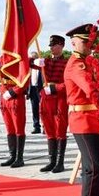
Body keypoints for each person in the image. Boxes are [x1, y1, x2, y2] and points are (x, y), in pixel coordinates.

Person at [64, 23, 99, 196]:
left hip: (94, 121)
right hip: (83, 121)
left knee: (96, 167)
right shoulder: (77, 64)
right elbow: (91, 88)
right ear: (74, 42)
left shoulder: (88, 62)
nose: (89, 45)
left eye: (90, 41)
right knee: (94, 167)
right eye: (85, 41)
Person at [34, 35, 69, 173]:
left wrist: (55, 88)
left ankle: (60, 163)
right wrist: (36, 61)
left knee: (60, 129)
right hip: (47, 98)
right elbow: (27, 63)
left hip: (59, 98)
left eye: (54, 45)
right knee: (49, 129)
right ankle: (52, 161)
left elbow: (69, 83)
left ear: (61, 46)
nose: (51, 48)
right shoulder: (46, 61)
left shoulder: (66, 63)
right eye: (51, 46)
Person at [0, 57, 28, 168]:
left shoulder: (21, 59)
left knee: (18, 128)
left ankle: (19, 158)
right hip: (4, 96)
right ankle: (12, 156)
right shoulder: (2, 58)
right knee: (9, 128)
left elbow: (25, 79)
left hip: (15, 96)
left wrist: (13, 91)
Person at [28, 51, 43, 134]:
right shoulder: (29, 68)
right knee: (34, 109)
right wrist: (27, 92)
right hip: (32, 89)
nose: (32, 60)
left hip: (41, 89)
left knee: (43, 109)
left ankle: (45, 126)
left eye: (33, 58)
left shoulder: (41, 66)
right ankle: (36, 126)